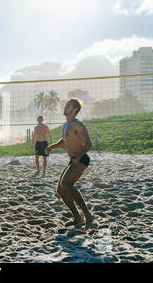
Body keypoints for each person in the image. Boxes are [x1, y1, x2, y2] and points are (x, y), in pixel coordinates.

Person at [46, 97, 95, 230]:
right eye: (65, 105)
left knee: (66, 184)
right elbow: (64, 141)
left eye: (68, 105)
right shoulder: (65, 125)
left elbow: (88, 143)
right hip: (72, 159)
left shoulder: (77, 124)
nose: (64, 107)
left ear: (74, 110)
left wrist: (79, 156)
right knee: (61, 189)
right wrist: (52, 146)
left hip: (81, 158)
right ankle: (77, 217)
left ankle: (88, 215)